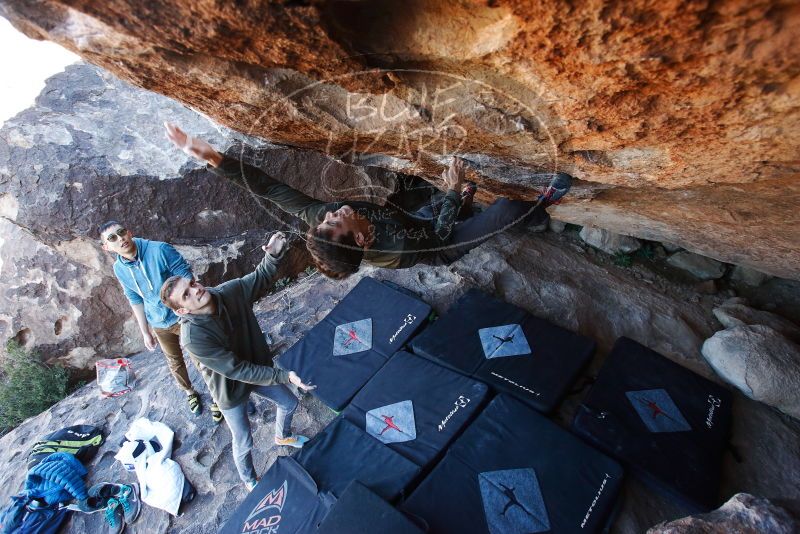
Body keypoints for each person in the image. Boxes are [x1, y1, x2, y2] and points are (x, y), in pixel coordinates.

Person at [164, 122, 572, 279]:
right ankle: (541, 206)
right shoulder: (395, 251)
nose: (335, 211)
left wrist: (212, 158)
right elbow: (438, 233)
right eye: (339, 221)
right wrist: (452, 192)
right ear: (360, 241)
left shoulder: (322, 220)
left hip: (412, 218)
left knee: (431, 200)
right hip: (438, 244)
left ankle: (463, 201)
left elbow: (269, 188)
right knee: (503, 210)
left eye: (328, 218)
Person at [159, 231, 315, 491]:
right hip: (229, 389)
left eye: (193, 284)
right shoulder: (192, 338)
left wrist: (273, 254)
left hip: (257, 369)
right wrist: (284, 375)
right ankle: (249, 479)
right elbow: (236, 370)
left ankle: (282, 436)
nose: (196, 290)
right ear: (182, 311)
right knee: (244, 441)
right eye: (186, 295)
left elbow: (260, 278)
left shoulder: (227, 292)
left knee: (290, 402)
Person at [100, 221, 213, 420]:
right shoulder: (119, 268)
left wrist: (188, 309)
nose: (120, 239)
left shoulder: (159, 249)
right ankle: (190, 392)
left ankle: (217, 397)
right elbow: (134, 298)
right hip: (159, 323)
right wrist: (145, 331)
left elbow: (187, 278)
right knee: (174, 362)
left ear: (130, 232)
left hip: (182, 316)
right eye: (112, 238)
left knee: (201, 357)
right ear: (106, 247)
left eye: (121, 232)